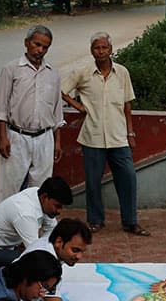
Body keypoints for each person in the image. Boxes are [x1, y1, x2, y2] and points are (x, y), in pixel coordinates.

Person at [62, 32, 150, 236]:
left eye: (104, 48)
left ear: (111, 50)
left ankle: (130, 221)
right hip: (92, 137)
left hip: (119, 136)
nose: (100, 52)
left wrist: (131, 133)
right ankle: (95, 220)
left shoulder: (122, 73)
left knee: (128, 178)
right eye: (96, 48)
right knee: (93, 182)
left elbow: (127, 105)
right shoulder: (83, 73)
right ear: (91, 51)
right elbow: (61, 90)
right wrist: (78, 106)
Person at [0, 26, 64, 205]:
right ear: (27, 43)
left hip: (44, 138)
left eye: (45, 47)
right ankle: (4, 229)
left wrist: (57, 142)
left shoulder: (52, 73)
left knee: (40, 191)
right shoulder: (11, 69)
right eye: (37, 44)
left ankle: (33, 229)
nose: (40, 50)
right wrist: (3, 138)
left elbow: (57, 112)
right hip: (17, 137)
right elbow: (1, 108)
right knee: (9, 189)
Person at [0, 176, 72, 273]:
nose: (59, 211)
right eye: (57, 206)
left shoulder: (38, 195)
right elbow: (36, 251)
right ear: (45, 197)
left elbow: (52, 231)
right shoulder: (25, 213)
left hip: (9, 247)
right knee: (32, 262)